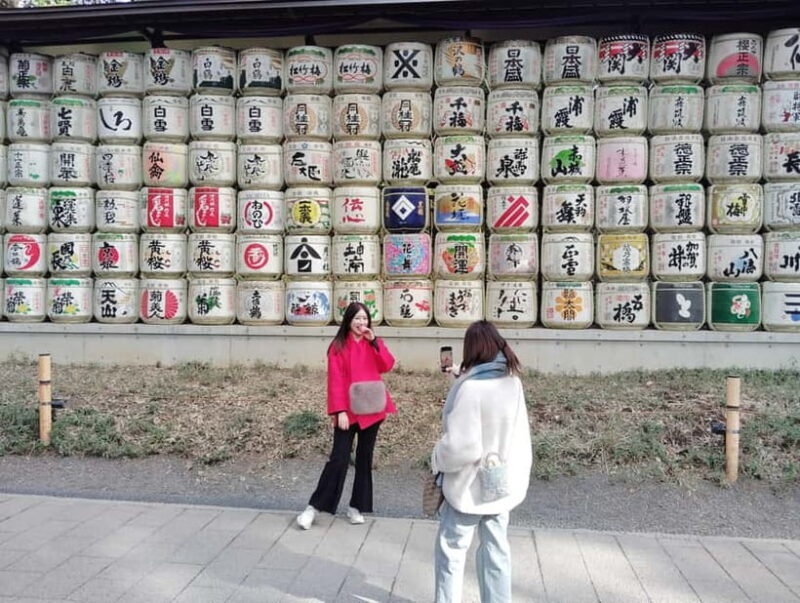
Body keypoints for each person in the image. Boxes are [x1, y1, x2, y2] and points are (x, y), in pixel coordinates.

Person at [431, 320, 532, 603]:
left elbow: (461, 447)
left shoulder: (471, 389)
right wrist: (460, 378)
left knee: (451, 551)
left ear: (472, 349)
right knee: (495, 551)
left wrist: (437, 457)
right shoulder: (512, 382)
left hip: (468, 488)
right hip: (500, 483)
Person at [296, 302, 396, 530]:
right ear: (348, 321)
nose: (361, 323)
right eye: (357, 318)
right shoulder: (338, 346)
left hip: (372, 408)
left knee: (364, 458)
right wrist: (339, 410)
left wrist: (374, 341)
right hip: (348, 411)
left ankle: (356, 506)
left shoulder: (373, 342)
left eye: (365, 318)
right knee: (338, 459)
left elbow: (387, 365)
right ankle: (313, 508)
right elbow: (335, 380)